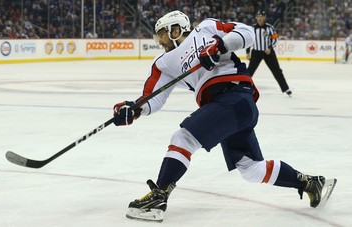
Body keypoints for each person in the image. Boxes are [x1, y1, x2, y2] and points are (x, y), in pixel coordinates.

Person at [113, 10, 331, 223]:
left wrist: (221, 45)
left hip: (235, 96)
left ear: (176, 29)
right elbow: (152, 97)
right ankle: (309, 183)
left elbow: (246, 32)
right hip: (229, 108)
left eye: (160, 33)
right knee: (250, 169)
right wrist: (135, 109)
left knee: (184, 138)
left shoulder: (206, 28)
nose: (158, 40)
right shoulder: (163, 64)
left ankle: (158, 197)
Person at [246, 10, 292, 96]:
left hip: (268, 52)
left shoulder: (270, 28)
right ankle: (243, 87)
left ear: (264, 18)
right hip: (256, 52)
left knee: (277, 71)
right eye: (258, 16)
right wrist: (247, 52)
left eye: (261, 16)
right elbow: (249, 40)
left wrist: (270, 48)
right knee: (250, 71)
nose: (260, 18)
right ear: (256, 18)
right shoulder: (252, 28)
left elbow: (275, 38)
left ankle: (286, 88)